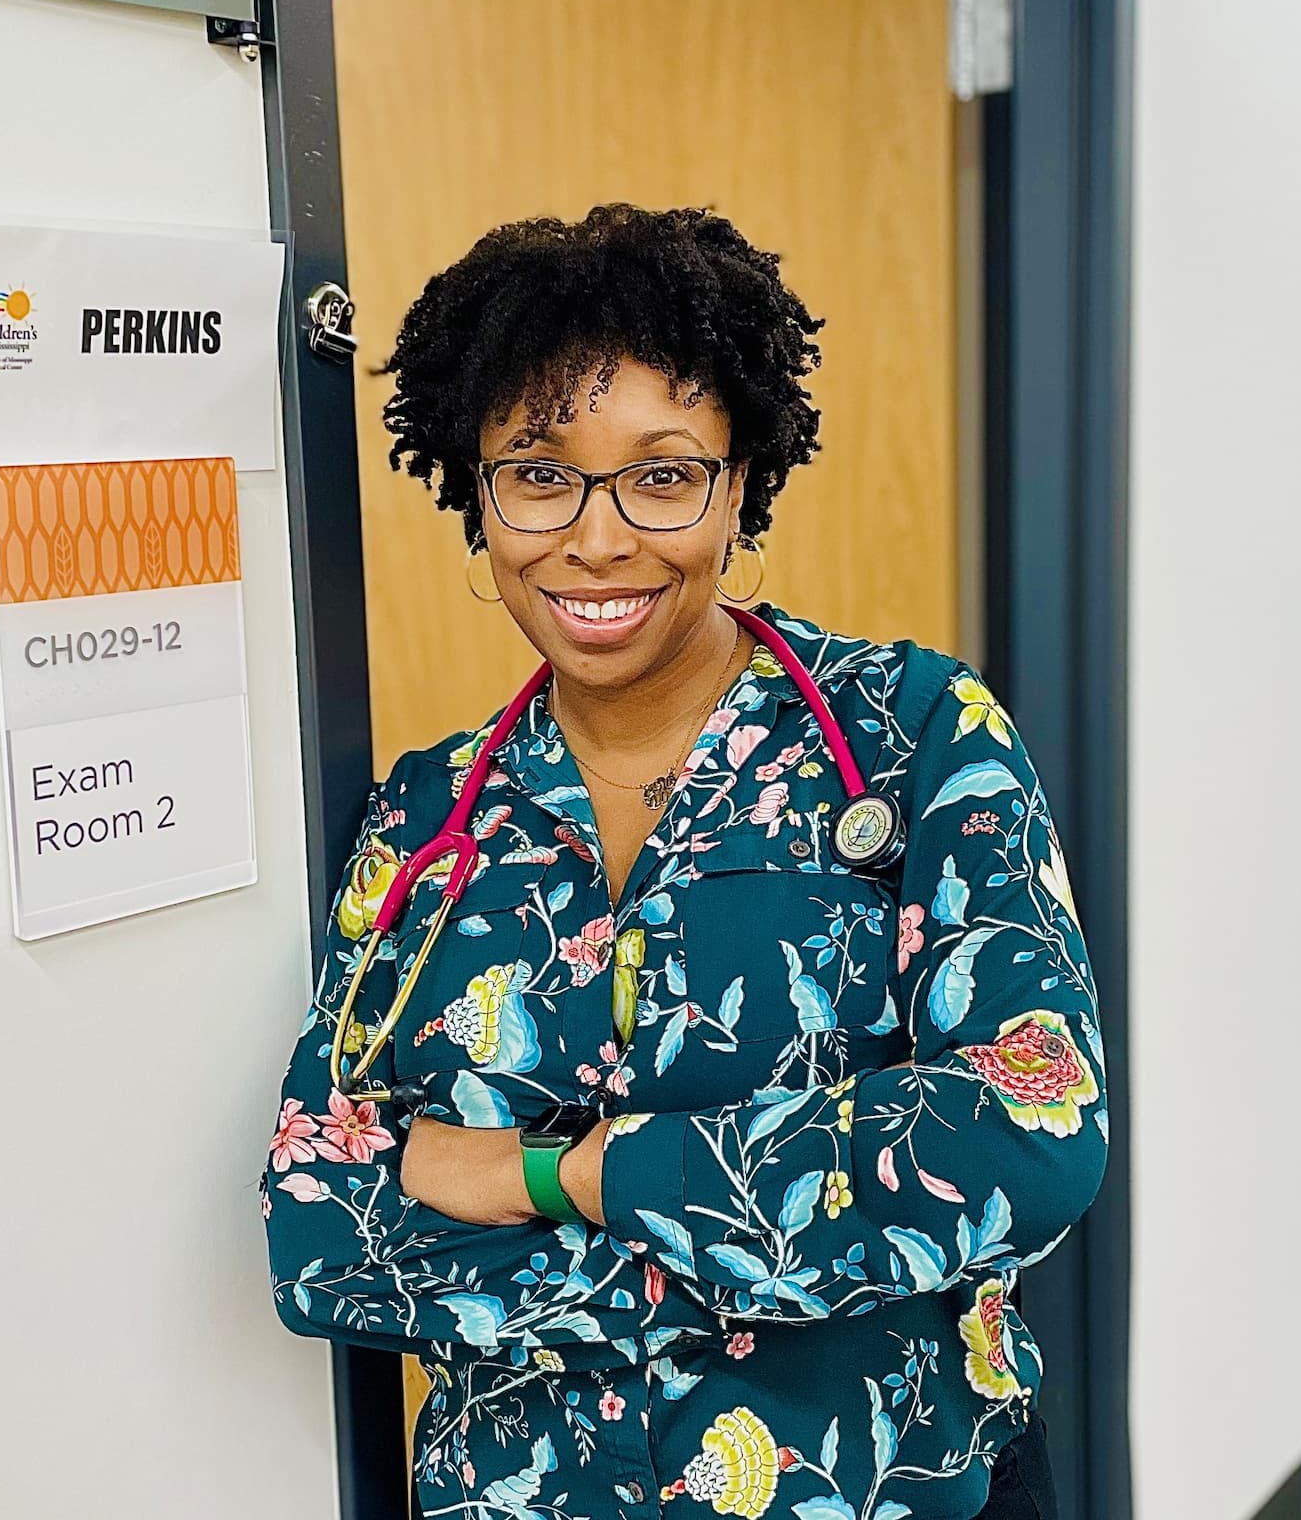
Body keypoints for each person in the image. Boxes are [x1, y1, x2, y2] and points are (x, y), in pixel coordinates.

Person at [262, 204, 1103, 1520]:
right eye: (538, 474)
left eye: (662, 475)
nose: (595, 539)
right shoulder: (424, 817)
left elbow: (1029, 1133)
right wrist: (799, 1259)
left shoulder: (914, 738)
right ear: (475, 495)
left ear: (740, 483)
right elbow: (318, 1226)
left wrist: (572, 1173)